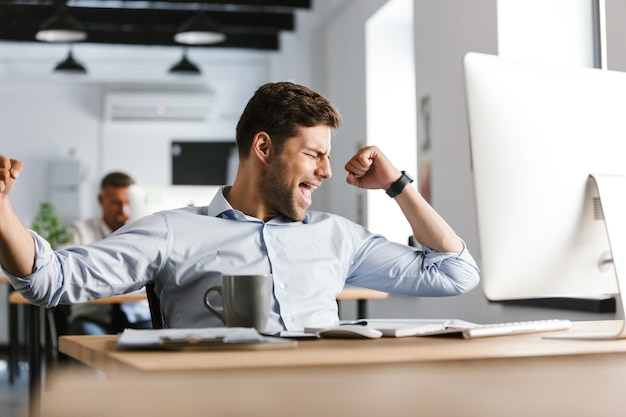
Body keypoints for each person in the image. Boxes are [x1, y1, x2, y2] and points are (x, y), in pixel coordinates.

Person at [0, 81, 479, 334]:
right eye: (314, 154)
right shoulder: (174, 231)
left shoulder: (337, 236)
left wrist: (398, 186)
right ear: (264, 148)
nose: (328, 171)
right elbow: (49, 280)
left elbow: (456, 274)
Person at [64, 172, 152, 335]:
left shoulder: (144, 232)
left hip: (139, 317)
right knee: (89, 338)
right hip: (93, 317)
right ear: (101, 200)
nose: (124, 211)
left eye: (128, 203)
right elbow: (70, 272)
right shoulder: (78, 232)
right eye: (116, 203)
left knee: (158, 341)